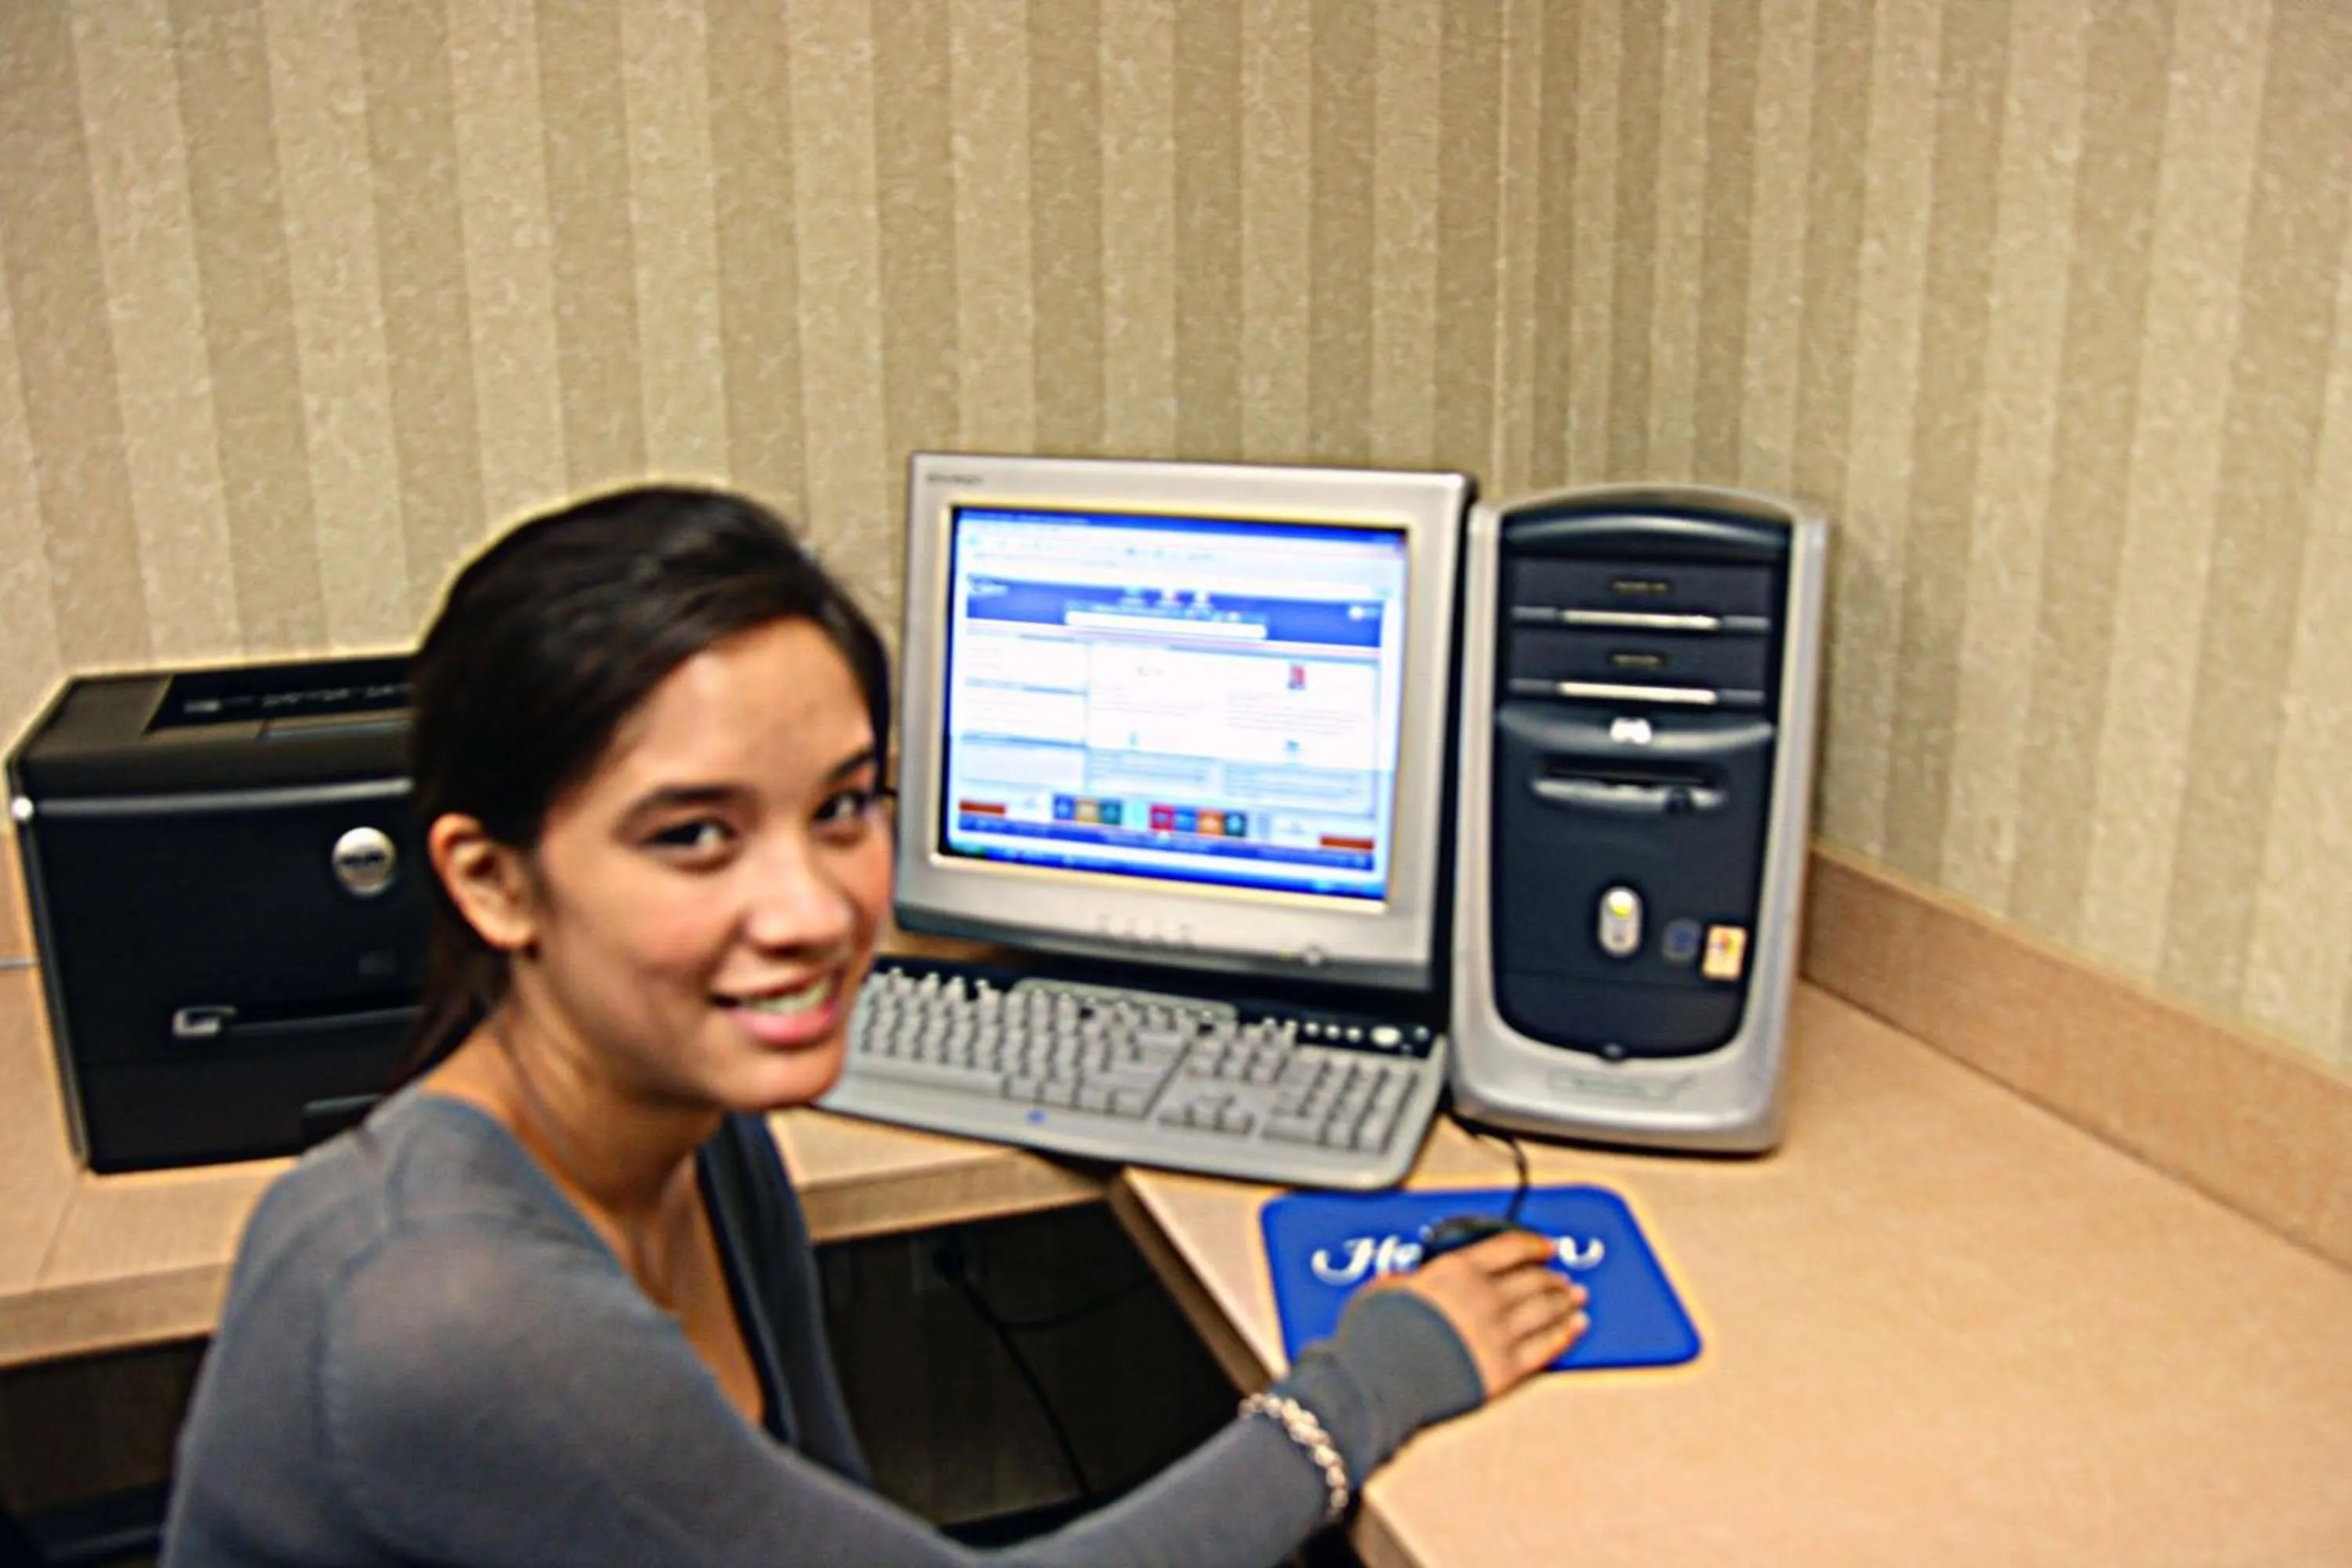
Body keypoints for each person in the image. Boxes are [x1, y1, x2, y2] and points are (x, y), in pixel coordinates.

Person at [162, 485, 1586, 1566]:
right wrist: (1361, 1387)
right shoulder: (450, 1312)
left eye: (842, 806)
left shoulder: (693, 1129)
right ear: (494, 881)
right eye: (696, 836)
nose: (815, 910)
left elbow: (837, 1502)